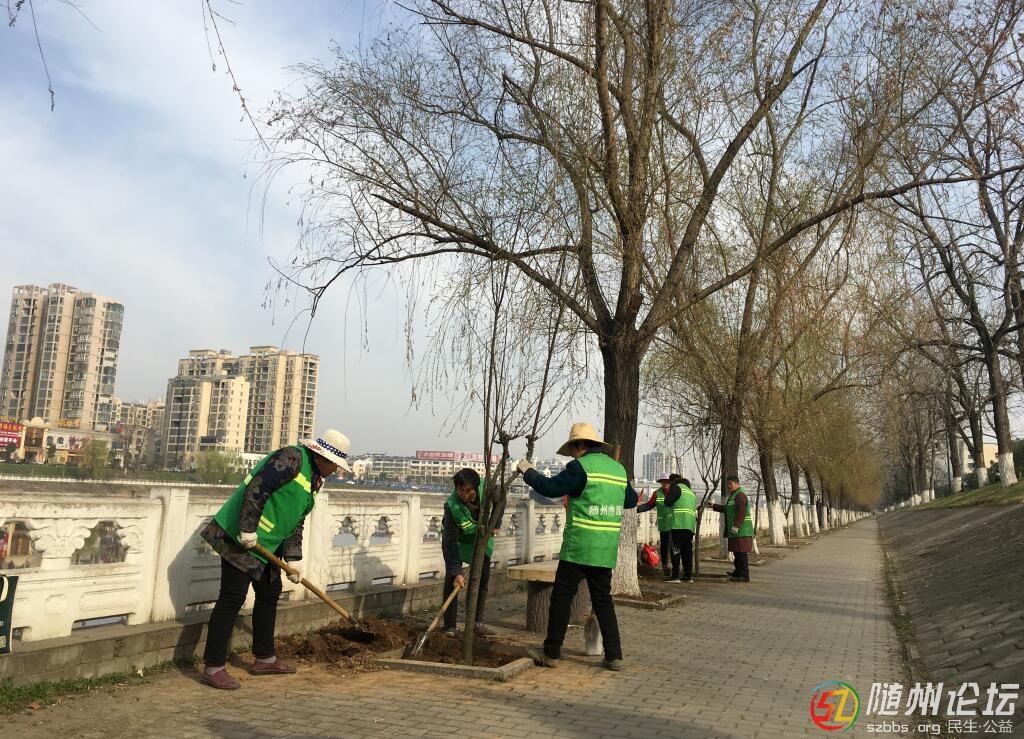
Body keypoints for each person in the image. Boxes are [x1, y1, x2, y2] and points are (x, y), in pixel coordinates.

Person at [198, 429, 352, 689]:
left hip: (268, 546)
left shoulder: (314, 480)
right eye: (334, 465)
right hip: (239, 537)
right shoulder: (291, 458)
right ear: (321, 457)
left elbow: (296, 521)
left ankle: (265, 658)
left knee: (270, 593)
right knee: (232, 598)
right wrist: (247, 528)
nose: (336, 470)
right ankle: (213, 667)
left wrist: (293, 559)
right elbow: (258, 488)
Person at [516, 422, 639, 671]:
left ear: (580, 445)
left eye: (573, 449)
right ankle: (614, 656)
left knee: (562, 598)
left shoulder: (580, 468)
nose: (572, 455)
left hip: (580, 546)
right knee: (603, 600)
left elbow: (551, 488)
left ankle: (551, 653)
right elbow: (630, 500)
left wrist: (528, 472)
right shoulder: (617, 470)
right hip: (605, 548)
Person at [441, 467, 499, 637]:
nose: (464, 495)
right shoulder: (452, 506)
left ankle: (476, 623)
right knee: (452, 582)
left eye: (468, 491)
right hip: (459, 541)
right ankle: (449, 627)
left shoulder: (487, 488)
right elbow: (449, 543)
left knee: (481, 581)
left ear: (476, 487)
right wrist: (456, 572)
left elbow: (501, 501)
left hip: (481, 539)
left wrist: (496, 523)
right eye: (460, 491)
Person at [710, 474, 753, 583]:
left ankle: (744, 575)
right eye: (727, 484)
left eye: (730, 484)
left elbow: (742, 512)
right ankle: (738, 572)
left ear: (737, 483)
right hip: (737, 530)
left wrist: (736, 525)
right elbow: (727, 509)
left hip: (741, 530)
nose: (729, 486)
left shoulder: (740, 495)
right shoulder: (734, 495)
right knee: (736, 552)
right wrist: (713, 506)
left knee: (741, 552)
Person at [636, 476, 675, 580]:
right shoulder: (657, 494)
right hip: (664, 525)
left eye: (667, 482)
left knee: (674, 547)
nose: (665, 484)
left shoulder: (674, 492)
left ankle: (674, 568)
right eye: (663, 482)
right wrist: (636, 509)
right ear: (661, 483)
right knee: (664, 546)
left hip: (674, 524)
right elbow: (649, 505)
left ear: (670, 483)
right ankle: (665, 567)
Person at [666, 474, 697, 582]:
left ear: (672, 482)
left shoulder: (676, 488)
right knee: (687, 552)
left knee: (675, 550)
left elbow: (668, 502)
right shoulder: (691, 492)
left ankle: (675, 576)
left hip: (678, 524)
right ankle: (688, 576)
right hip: (690, 526)